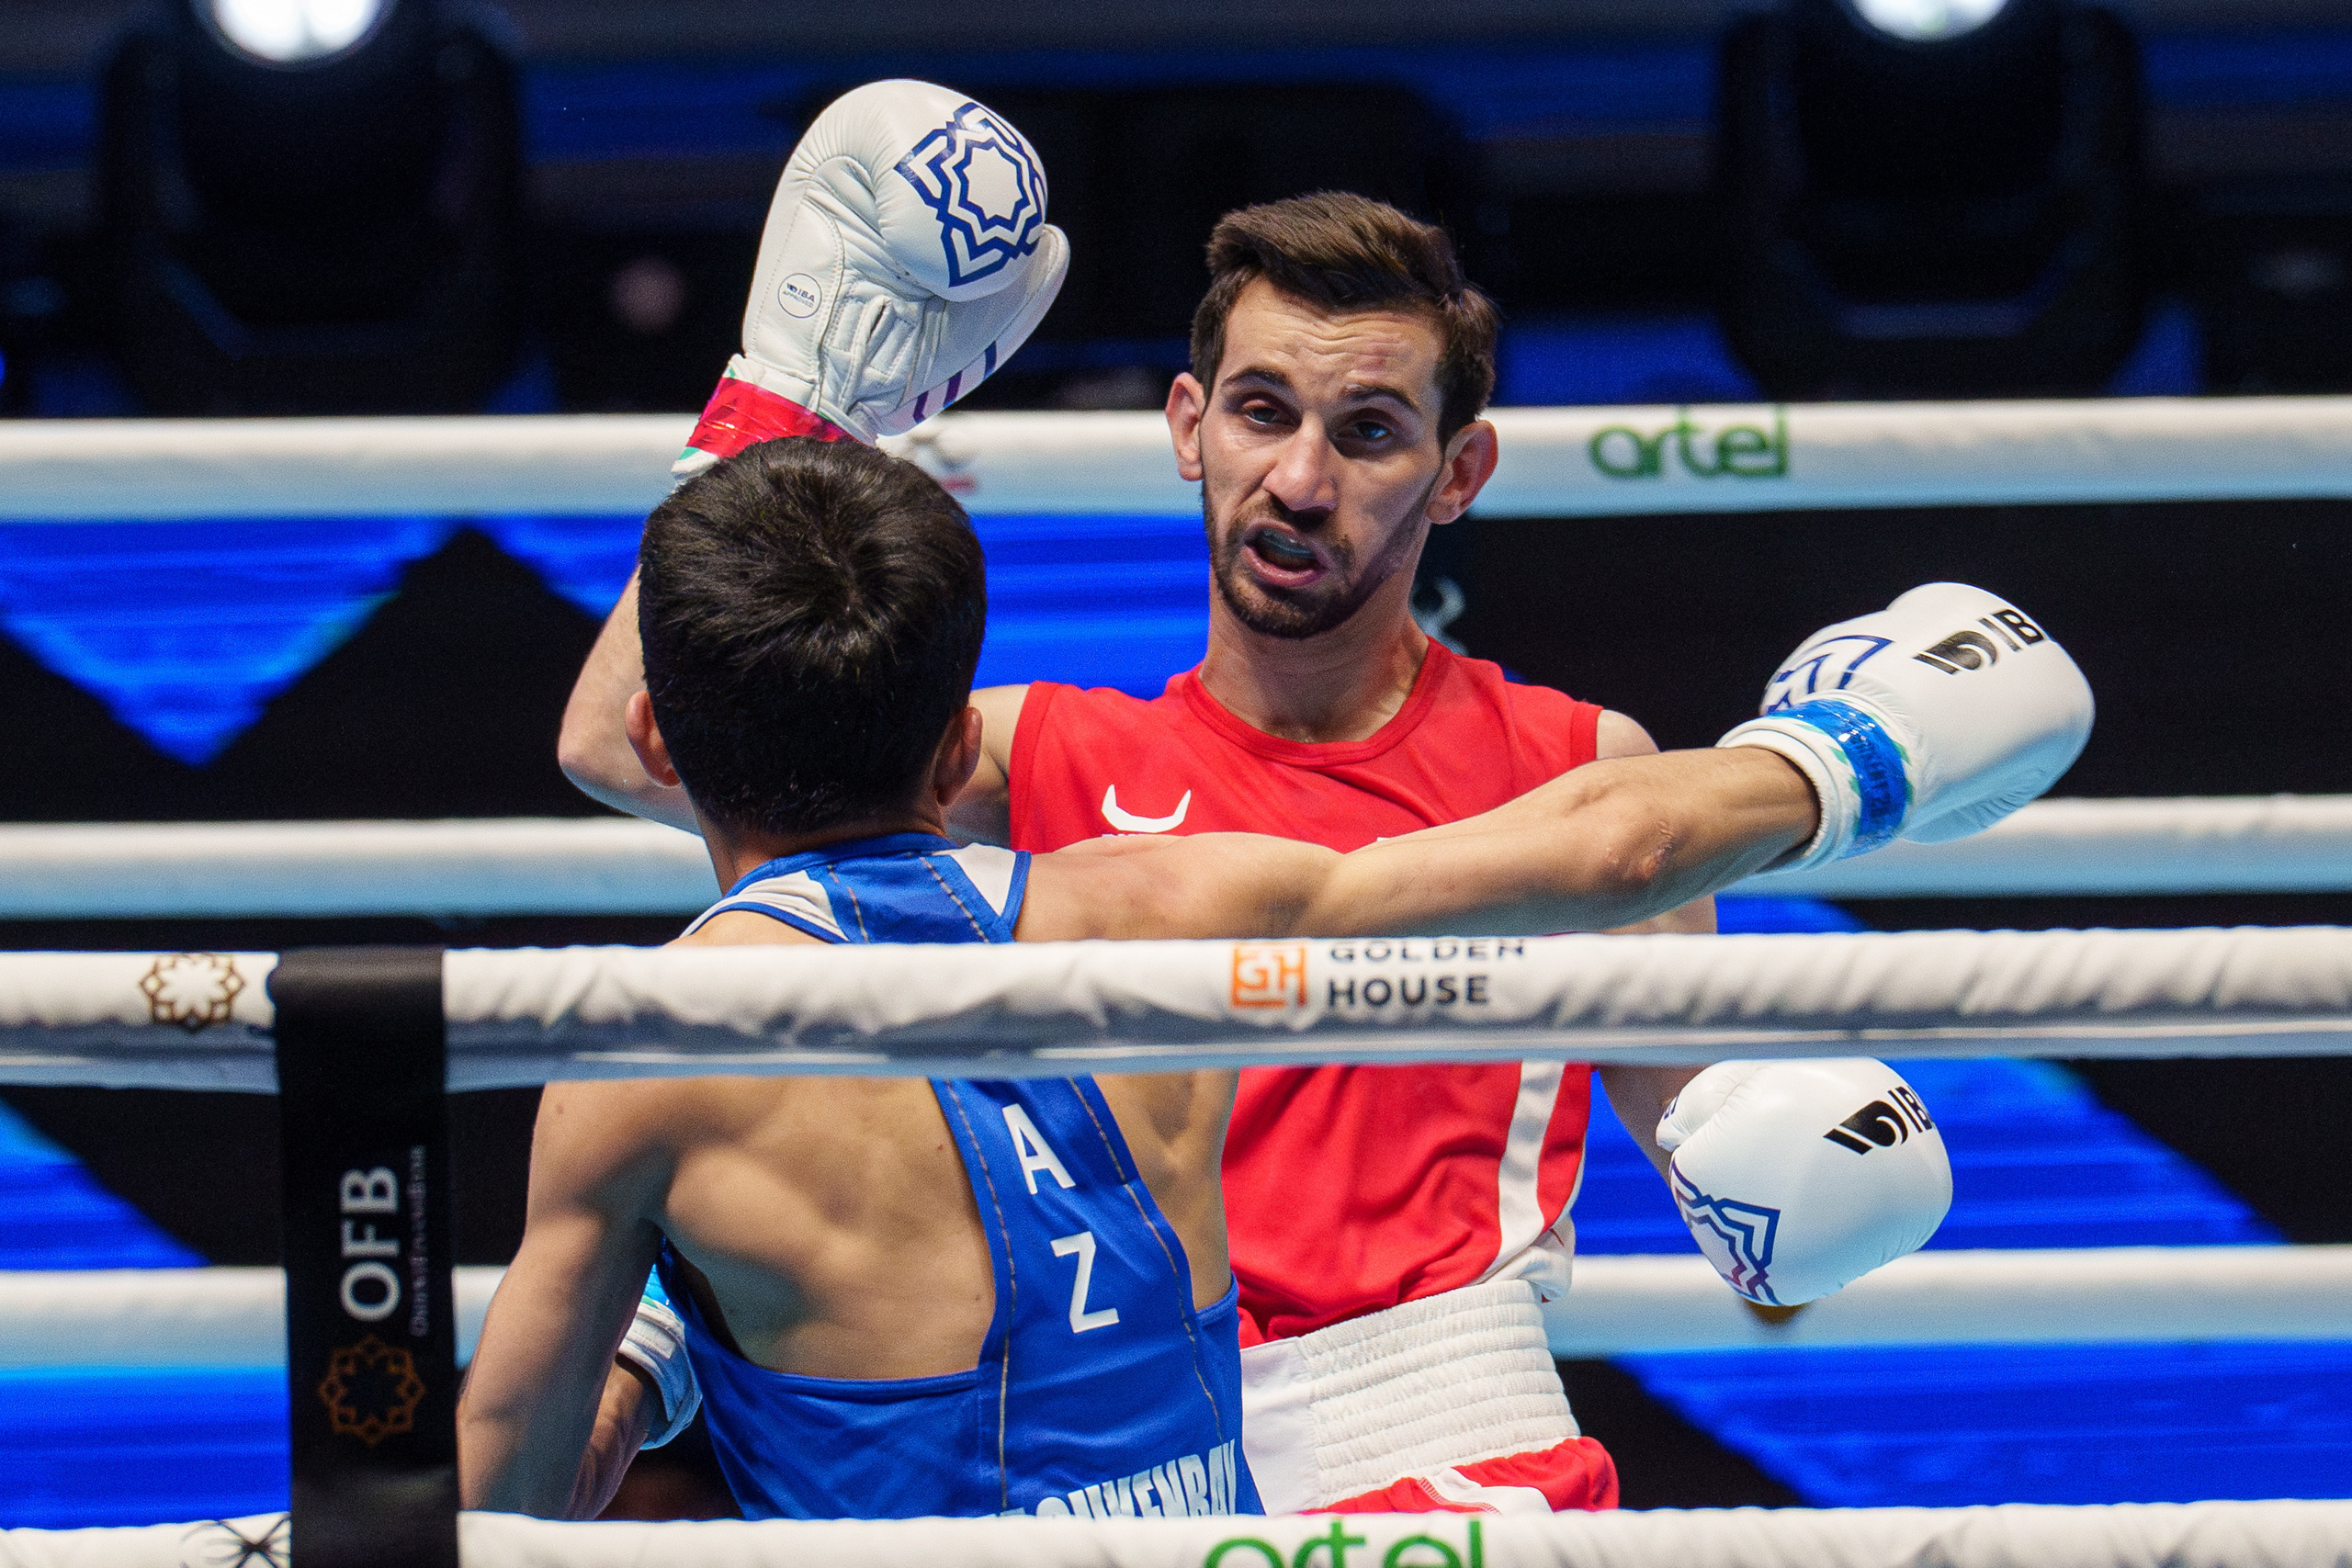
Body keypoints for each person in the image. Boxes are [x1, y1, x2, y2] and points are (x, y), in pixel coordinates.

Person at [555, 84, 2091, 1515]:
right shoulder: (1034, 762)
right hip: (1104, 1466)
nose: (1299, 480)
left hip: (1448, 1450)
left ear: (1461, 467)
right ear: (1185, 426)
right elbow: (631, 741)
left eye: (1366, 433)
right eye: (1261, 412)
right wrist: (792, 400)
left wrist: (1803, 1171)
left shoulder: (1582, 773)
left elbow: (1771, 1248)